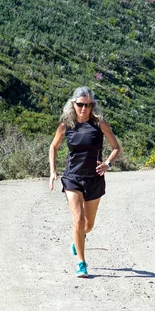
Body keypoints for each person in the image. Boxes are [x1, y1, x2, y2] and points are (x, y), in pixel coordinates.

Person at [49, 86, 121, 278]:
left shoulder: (100, 124)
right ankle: (81, 263)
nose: (84, 109)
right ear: (73, 104)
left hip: (94, 179)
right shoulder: (65, 126)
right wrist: (53, 171)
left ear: (92, 105)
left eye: (88, 105)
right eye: (80, 104)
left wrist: (107, 163)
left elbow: (116, 147)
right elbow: (53, 146)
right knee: (78, 221)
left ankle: (78, 238)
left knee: (88, 225)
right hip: (72, 177)